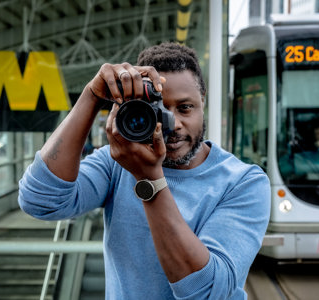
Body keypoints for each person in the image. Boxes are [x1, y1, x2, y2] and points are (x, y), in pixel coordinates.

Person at [18, 42, 270, 300]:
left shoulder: (243, 182)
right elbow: (39, 200)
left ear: (202, 103)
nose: (172, 125)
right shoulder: (117, 162)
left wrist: (149, 179)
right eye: (157, 112)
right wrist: (91, 97)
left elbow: (208, 292)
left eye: (184, 108)